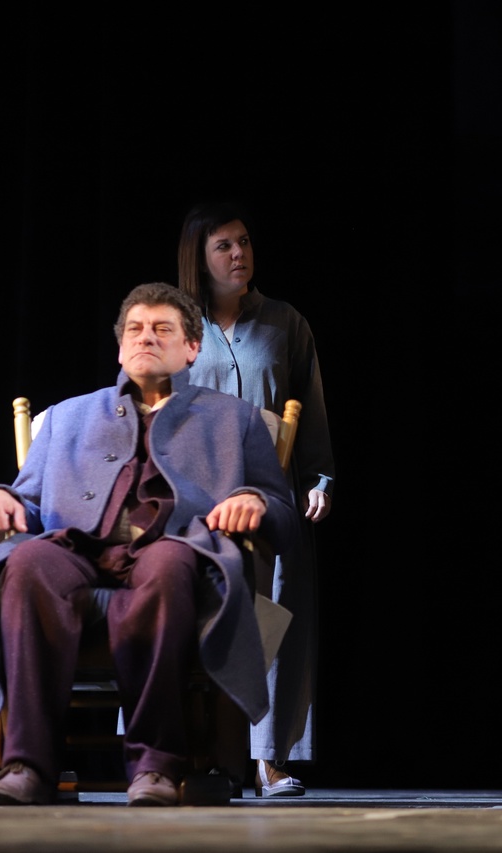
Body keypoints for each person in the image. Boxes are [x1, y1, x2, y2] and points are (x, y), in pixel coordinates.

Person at [0, 283, 297, 807]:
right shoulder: (67, 417)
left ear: (192, 348)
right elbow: (27, 500)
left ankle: (156, 767)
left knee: (169, 563)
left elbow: (282, 515)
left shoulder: (235, 419)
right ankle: (29, 766)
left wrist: (253, 499)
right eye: (135, 329)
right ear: (119, 348)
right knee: (28, 561)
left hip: (174, 550)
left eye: (162, 329)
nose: (145, 338)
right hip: (77, 551)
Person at [177, 202, 334, 797]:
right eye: (224, 245)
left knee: (277, 616)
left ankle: (270, 757)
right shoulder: (177, 326)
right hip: (198, 498)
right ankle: (183, 752)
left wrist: (319, 480)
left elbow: (310, 409)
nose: (239, 253)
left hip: (272, 495)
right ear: (200, 258)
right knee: (193, 613)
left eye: (243, 241)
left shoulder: (284, 322)